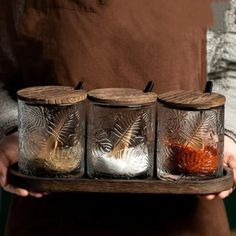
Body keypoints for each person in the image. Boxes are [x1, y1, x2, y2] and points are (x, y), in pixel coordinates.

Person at [0, 0, 235, 235]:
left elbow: (230, 64)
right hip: (48, 189)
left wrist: (228, 133)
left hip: (185, 191)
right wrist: (13, 128)